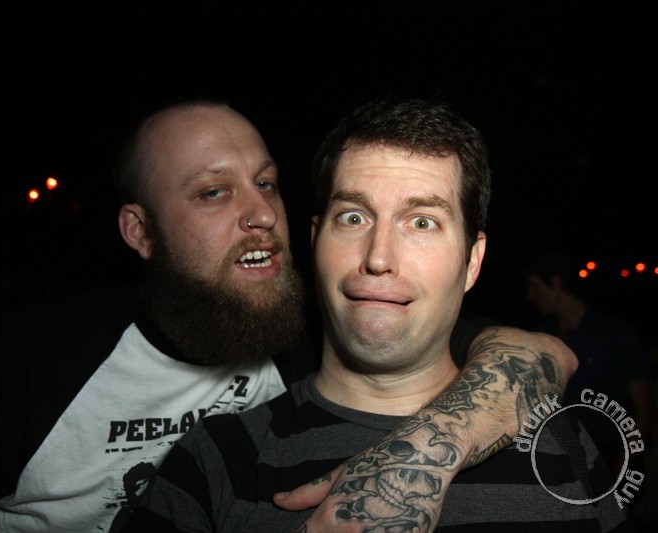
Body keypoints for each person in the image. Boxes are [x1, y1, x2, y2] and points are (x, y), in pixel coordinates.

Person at [0, 97, 576, 533]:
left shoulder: (310, 332)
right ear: (140, 231)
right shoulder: (29, 363)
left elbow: (533, 353)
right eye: (214, 193)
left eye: (266, 183)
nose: (261, 213)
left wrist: (427, 448)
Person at [123, 96, 637, 531]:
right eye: (353, 217)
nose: (379, 258)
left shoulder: (566, 445)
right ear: (314, 240)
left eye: (422, 222)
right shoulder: (213, 461)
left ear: (472, 261)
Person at [521, 250, 655, 475]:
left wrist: (621, 469)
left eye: (534, 286)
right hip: (555, 460)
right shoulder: (540, 338)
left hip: (608, 457)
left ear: (555, 282)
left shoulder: (617, 334)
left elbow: (644, 408)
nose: (530, 296)